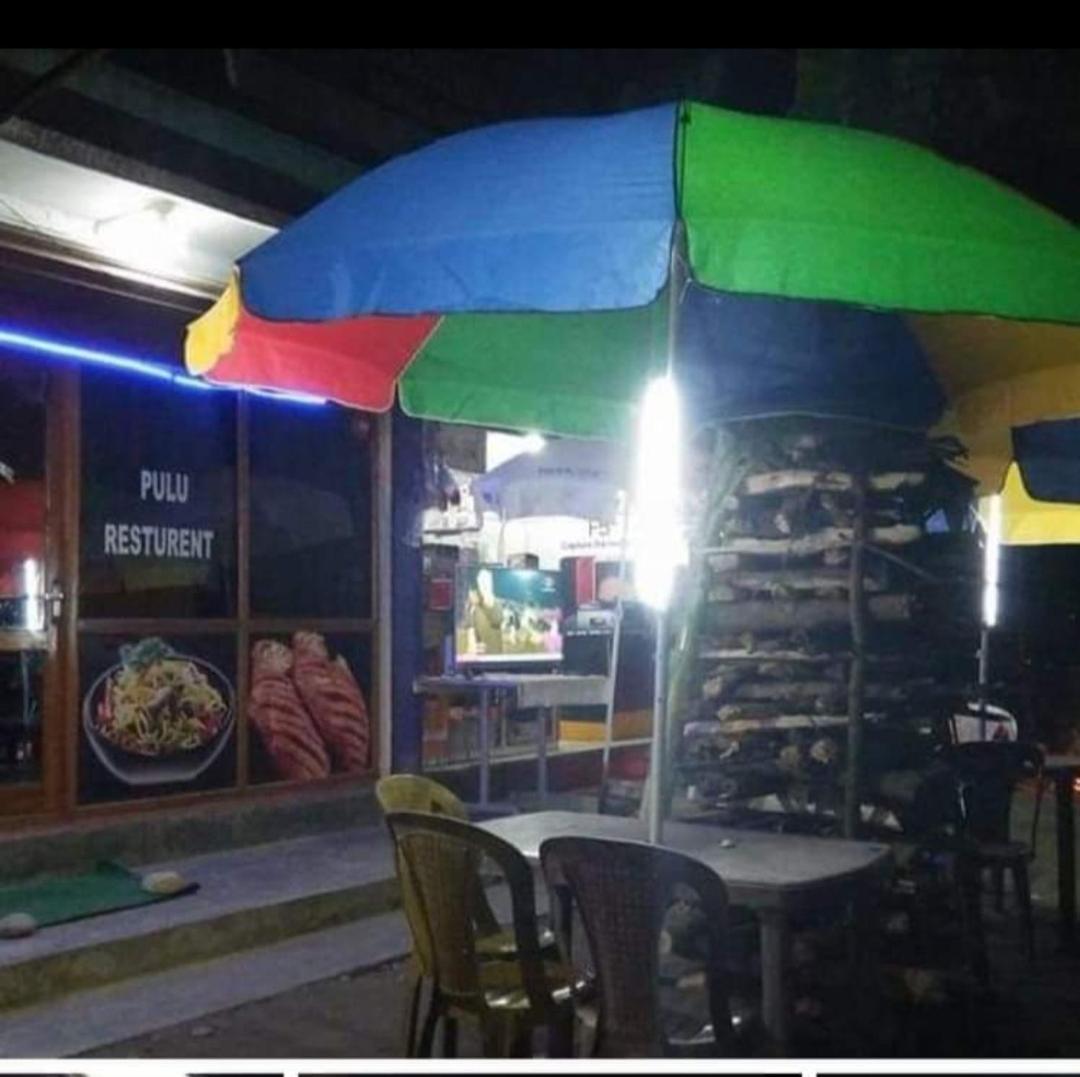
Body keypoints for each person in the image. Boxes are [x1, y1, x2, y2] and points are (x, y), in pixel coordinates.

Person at [465, 569, 505, 655]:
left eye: (486, 581)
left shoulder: (496, 603)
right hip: (479, 655)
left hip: (494, 654)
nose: (484, 585)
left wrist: (486, 596)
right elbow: (470, 625)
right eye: (481, 582)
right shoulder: (475, 605)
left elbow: (497, 619)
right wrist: (471, 644)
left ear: (491, 584)